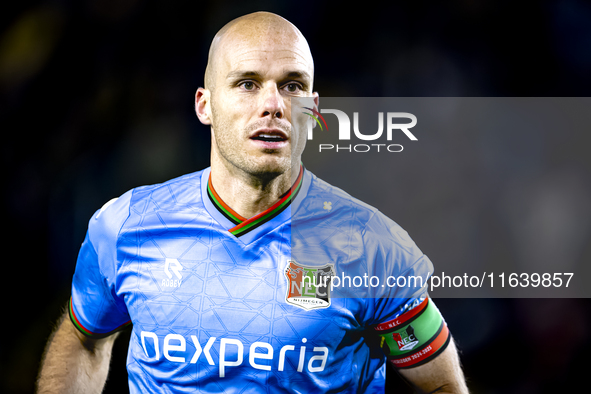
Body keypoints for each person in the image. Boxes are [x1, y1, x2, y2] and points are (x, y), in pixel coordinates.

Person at [37, 11, 469, 393]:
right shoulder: (126, 226)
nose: (273, 105)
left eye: (293, 86)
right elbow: (84, 339)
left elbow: (442, 384)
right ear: (205, 105)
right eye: (247, 83)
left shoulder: (372, 248)